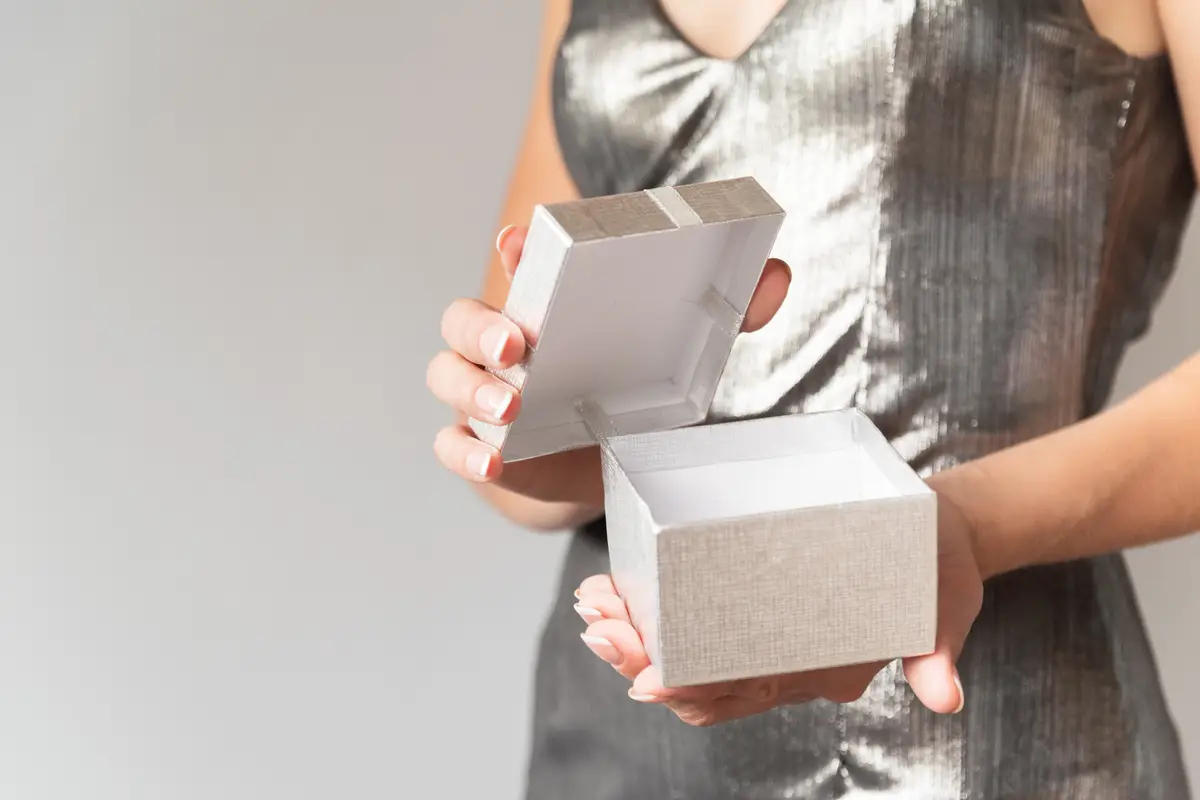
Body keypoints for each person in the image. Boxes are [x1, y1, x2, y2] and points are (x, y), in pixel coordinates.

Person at [425, 0, 1199, 796]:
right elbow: (534, 436)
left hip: (974, 738)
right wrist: (517, 424)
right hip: (625, 730)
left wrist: (951, 528)